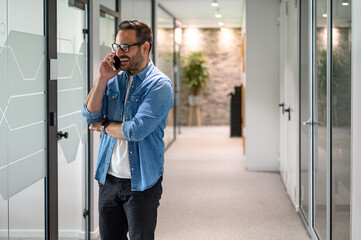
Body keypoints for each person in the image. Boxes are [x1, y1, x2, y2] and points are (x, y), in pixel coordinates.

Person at [82, 20, 173, 240]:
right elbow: (89, 115)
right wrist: (102, 78)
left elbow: (135, 131)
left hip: (141, 182)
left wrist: (103, 126)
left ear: (145, 47)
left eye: (126, 47)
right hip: (109, 178)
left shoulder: (159, 85)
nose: (119, 52)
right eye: (117, 46)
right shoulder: (114, 79)